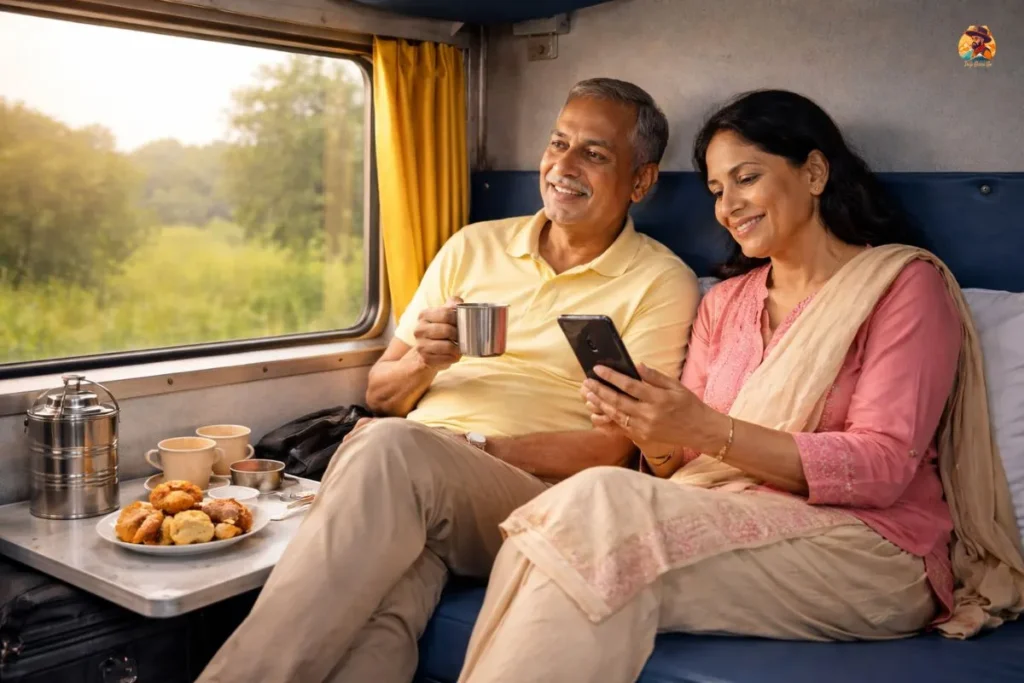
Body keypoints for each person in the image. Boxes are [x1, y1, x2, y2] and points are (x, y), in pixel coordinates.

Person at [454, 90, 1024, 683]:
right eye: (716, 190)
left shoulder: (902, 286)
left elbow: (881, 467)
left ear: (814, 172)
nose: (728, 206)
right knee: (568, 536)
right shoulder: (724, 303)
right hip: (725, 512)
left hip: (871, 551)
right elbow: (682, 465)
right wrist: (648, 429)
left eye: (746, 178)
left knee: (594, 507)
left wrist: (707, 429)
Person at [197, 78, 700, 683]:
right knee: (382, 617)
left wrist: (474, 448)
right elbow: (381, 395)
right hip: (411, 483)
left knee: (389, 447)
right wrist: (425, 362)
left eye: (593, 153)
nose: (563, 166)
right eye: (558, 143)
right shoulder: (472, 246)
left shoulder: (659, 281)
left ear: (641, 181)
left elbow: (615, 447)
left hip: (534, 495)